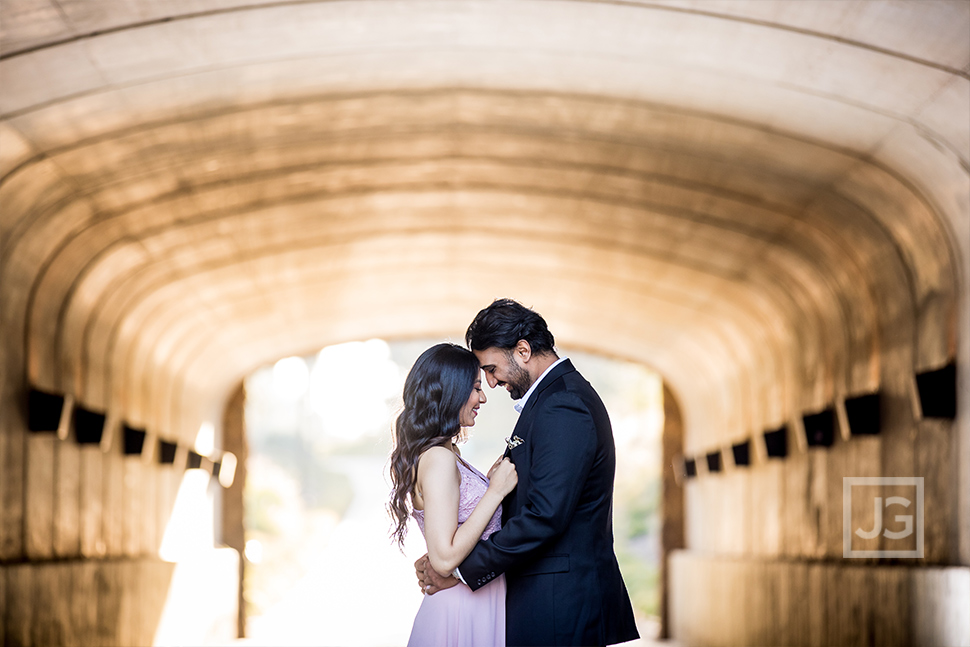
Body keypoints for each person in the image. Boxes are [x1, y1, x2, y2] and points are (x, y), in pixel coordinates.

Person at [416, 299, 640, 647]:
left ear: (522, 350)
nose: (490, 384)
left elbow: (544, 515)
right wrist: (450, 549)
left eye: (490, 369)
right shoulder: (552, 400)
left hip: (560, 605)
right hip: (547, 601)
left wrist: (459, 570)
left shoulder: (563, 404)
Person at [389, 343, 518, 646]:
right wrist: (495, 492)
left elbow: (455, 519)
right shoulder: (439, 458)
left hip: (474, 602)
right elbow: (444, 558)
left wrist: (485, 484)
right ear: (451, 391)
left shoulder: (449, 453)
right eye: (475, 388)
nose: (482, 397)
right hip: (459, 610)